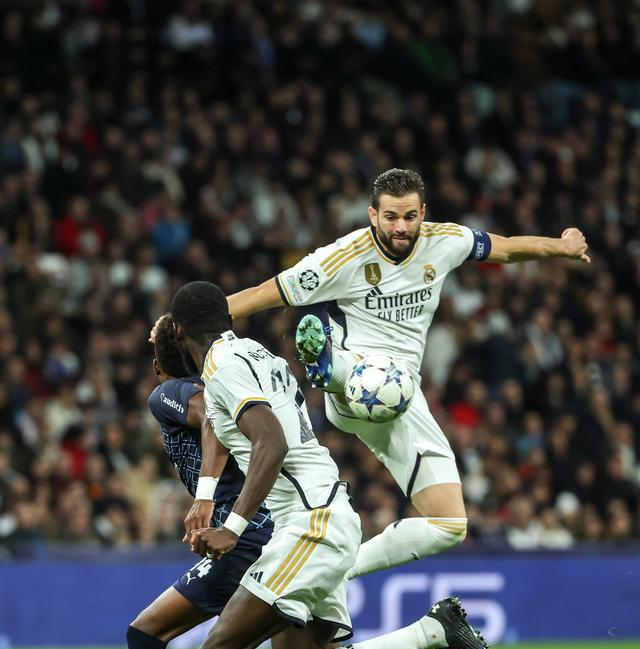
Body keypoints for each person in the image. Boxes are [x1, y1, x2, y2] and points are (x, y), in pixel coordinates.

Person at [48, 316, 503, 649]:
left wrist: (207, 498)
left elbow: (210, 414)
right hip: (289, 525)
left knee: (153, 635)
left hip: (252, 539)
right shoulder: (239, 374)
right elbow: (221, 416)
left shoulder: (171, 392)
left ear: (160, 362)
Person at [163, 281, 502, 649]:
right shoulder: (254, 355)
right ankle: (432, 631)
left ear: (179, 331)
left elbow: (269, 441)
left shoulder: (224, 368)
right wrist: (205, 496)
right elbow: (227, 426)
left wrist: (233, 526)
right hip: (322, 517)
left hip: (311, 525)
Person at [224, 167, 591, 579]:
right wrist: (189, 321)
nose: (401, 226)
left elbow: (504, 249)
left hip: (403, 396)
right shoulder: (344, 256)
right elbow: (262, 294)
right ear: (372, 215)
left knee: (450, 525)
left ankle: (336, 572)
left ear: (423, 213)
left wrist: (561, 246)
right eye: (391, 217)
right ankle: (328, 367)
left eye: (410, 216)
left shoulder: (445, 241)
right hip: (356, 381)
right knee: (371, 377)